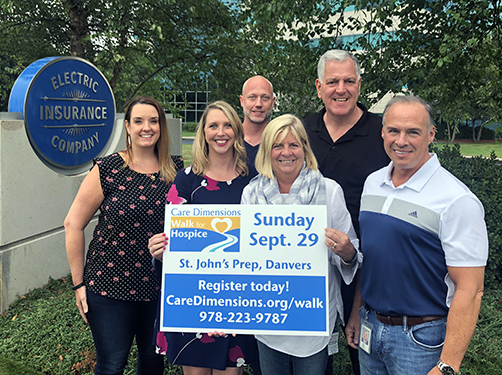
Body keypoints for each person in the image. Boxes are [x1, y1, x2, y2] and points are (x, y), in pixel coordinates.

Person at [345, 95, 488, 375]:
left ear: (431, 134)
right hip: (370, 327)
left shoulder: (456, 199)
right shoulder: (373, 183)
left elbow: (470, 290)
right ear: (383, 132)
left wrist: (448, 365)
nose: (402, 141)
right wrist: (356, 313)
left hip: (421, 339)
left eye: (413, 132)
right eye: (394, 130)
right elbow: (371, 258)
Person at [64, 95, 184, 375]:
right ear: (127, 126)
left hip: (159, 288)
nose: (147, 127)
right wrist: (78, 285)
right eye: (139, 121)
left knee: (153, 364)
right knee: (111, 365)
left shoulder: (177, 170)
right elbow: (73, 224)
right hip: (108, 287)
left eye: (153, 121)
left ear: (161, 126)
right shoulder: (107, 169)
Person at [241, 114, 361, 375]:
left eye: (294, 145)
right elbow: (245, 258)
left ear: (305, 149)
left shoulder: (329, 191)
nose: (286, 153)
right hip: (269, 317)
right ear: (267, 151)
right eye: (278, 145)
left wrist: (347, 252)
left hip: (312, 317)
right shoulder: (251, 193)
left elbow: (351, 255)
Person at [149, 101, 258, 375]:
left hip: (238, 298)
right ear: (203, 132)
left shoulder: (254, 181)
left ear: (237, 131)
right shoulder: (186, 181)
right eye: (213, 126)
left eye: (227, 125)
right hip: (194, 298)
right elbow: (172, 240)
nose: (220, 133)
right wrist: (160, 251)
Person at [303, 50, 390, 375]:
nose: (341, 89)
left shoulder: (383, 133)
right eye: (333, 81)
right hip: (305, 263)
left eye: (349, 81)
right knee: (312, 360)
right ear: (319, 86)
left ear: (359, 85)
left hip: (367, 266)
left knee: (362, 358)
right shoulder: (301, 132)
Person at [240, 75, 276, 164]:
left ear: (273, 102)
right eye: (252, 97)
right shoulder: (228, 140)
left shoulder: (281, 141)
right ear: (242, 101)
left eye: (265, 98)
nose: (258, 104)